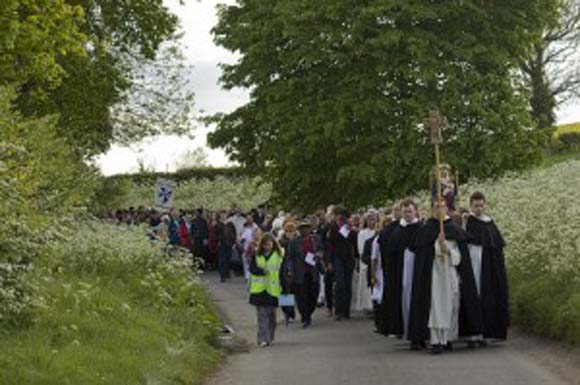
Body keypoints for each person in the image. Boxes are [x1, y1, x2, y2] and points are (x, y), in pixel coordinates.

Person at [407, 200, 482, 354]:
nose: (439, 209)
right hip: (433, 275)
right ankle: (436, 341)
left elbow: (460, 258)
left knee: (452, 305)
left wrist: (446, 248)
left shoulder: (454, 229)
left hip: (450, 272)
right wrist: (436, 247)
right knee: (436, 307)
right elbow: (422, 256)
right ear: (432, 209)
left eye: (442, 206)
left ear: (446, 209)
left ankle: (448, 338)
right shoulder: (426, 230)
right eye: (436, 206)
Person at [465, 191, 509, 345]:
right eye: (476, 206)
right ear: (471, 206)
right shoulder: (468, 222)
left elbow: (496, 246)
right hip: (474, 263)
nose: (478, 208)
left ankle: (487, 333)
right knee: (475, 295)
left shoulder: (490, 223)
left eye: (481, 205)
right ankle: (473, 334)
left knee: (489, 295)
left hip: (489, 265)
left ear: (485, 206)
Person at [382, 199, 422, 340]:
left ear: (415, 211)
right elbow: (391, 253)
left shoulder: (422, 228)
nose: (407, 214)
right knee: (404, 299)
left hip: (418, 271)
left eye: (410, 211)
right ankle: (406, 331)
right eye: (405, 212)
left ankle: (419, 333)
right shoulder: (397, 230)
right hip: (402, 272)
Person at [249, 233, 283, 347]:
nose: (267, 247)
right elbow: (252, 269)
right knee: (262, 316)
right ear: (262, 245)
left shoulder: (279, 255)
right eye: (265, 245)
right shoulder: (257, 255)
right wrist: (261, 271)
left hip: (273, 290)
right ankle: (262, 339)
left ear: (273, 244)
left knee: (272, 317)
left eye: (270, 244)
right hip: (259, 291)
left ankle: (270, 336)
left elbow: (283, 271)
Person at [288, 220, 322, 328]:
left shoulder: (316, 239)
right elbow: (290, 258)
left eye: (307, 228)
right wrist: (290, 270)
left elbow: (322, 250)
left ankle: (309, 313)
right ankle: (305, 316)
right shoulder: (294, 242)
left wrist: (319, 254)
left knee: (313, 295)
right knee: (301, 297)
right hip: (300, 273)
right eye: (302, 228)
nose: (305, 230)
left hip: (313, 272)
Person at [329, 207, 358, 321]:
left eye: (343, 218)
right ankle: (338, 310)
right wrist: (329, 261)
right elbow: (330, 246)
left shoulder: (350, 229)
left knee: (347, 285)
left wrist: (351, 230)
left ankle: (346, 311)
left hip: (349, 258)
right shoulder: (333, 228)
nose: (341, 219)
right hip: (337, 258)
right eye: (339, 217)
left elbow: (354, 244)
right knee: (339, 283)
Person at [354, 212, 376, 313]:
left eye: (374, 219)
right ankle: (367, 306)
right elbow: (361, 250)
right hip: (366, 262)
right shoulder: (362, 233)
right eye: (370, 219)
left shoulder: (378, 232)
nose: (372, 221)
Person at [278, 220, 298, 324]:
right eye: (288, 231)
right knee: (285, 290)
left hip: (295, 268)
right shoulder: (281, 242)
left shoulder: (296, 241)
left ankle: (291, 313)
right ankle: (287, 313)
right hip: (284, 268)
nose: (290, 233)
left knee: (293, 291)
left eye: (291, 231)